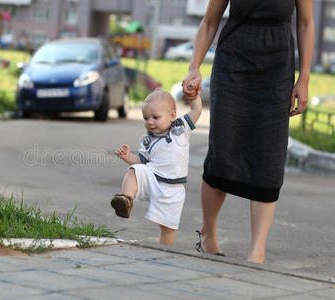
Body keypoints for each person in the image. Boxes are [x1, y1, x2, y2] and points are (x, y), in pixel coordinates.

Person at [182, 0, 314, 263]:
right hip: (233, 64)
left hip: (277, 69)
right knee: (223, 148)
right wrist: (194, 67)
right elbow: (209, 22)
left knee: (269, 153)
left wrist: (305, 77)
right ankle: (208, 234)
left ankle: (257, 251)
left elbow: (306, 23)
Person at [110, 89, 202, 246]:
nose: (150, 122)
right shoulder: (147, 140)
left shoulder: (181, 128)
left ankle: (164, 252)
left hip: (172, 189)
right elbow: (141, 162)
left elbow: (196, 110)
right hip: (152, 178)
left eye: (155, 117)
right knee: (135, 171)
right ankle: (125, 199)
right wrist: (129, 158)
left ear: (172, 115)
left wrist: (194, 96)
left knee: (167, 228)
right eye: (146, 118)